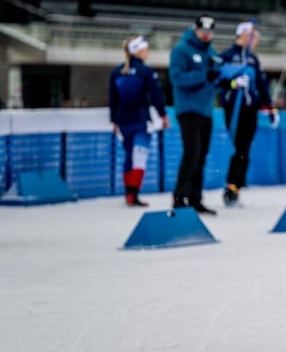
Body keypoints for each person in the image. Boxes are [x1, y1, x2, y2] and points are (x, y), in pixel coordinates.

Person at [215, 21, 275, 206]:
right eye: (253, 37)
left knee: (245, 148)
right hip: (234, 107)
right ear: (244, 35)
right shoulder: (226, 56)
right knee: (238, 147)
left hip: (250, 108)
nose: (255, 41)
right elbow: (217, 80)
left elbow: (262, 85)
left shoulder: (252, 59)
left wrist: (270, 107)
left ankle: (237, 185)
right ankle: (231, 185)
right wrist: (232, 84)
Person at [108, 35, 170, 206]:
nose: (148, 52)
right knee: (139, 157)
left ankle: (129, 194)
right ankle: (133, 194)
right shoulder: (146, 71)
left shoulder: (116, 72)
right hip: (140, 120)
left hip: (123, 121)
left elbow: (113, 100)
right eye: (146, 49)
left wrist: (114, 121)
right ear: (139, 51)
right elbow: (156, 95)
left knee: (129, 156)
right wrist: (163, 115)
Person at [168, 14, 219, 215]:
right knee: (192, 154)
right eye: (203, 31)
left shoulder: (211, 52)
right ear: (195, 30)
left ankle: (195, 198)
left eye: (209, 32)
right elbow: (177, 77)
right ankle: (180, 198)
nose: (206, 36)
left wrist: (225, 79)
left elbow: (214, 78)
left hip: (206, 110)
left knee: (201, 157)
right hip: (188, 109)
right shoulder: (181, 50)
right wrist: (203, 76)